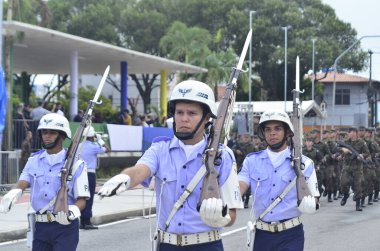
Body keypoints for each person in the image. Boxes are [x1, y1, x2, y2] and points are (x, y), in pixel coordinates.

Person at [98, 80, 243, 251]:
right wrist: (125, 178)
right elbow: (140, 170)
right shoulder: (160, 149)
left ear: (206, 118)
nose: (183, 119)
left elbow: (232, 215)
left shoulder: (222, 156)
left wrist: (222, 218)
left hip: (207, 245)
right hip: (168, 245)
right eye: (179, 112)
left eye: (192, 113)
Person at [0, 113, 90, 251]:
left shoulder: (76, 164)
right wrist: (14, 192)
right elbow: (23, 181)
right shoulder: (34, 160)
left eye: (52, 133)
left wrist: (74, 210)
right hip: (40, 226)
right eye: (44, 132)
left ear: (63, 136)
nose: (47, 136)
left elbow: (82, 199)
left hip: (65, 227)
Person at [238, 110, 319, 251]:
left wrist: (308, 200)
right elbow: (239, 188)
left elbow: (314, 201)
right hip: (261, 235)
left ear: (287, 132)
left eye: (278, 128)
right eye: (267, 129)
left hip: (291, 234)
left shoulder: (305, 164)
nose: (272, 133)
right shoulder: (251, 161)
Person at [77, 126, 110, 230]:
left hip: (79, 173)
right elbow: (108, 149)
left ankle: (82, 221)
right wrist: (99, 139)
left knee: (81, 197)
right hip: (89, 174)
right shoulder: (94, 146)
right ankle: (87, 221)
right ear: (92, 136)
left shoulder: (79, 146)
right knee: (89, 197)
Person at [339, 127, 370, 211]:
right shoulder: (345, 142)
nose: (349, 134)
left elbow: (367, 153)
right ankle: (345, 195)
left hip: (357, 167)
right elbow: (337, 148)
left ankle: (358, 204)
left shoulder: (361, 142)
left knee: (358, 186)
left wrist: (362, 156)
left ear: (355, 133)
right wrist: (343, 149)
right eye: (349, 132)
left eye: (351, 132)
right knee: (343, 182)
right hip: (346, 167)